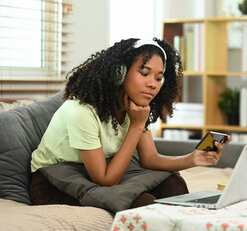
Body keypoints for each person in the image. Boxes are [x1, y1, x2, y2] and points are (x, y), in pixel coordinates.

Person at [30, 38, 231, 210]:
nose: (153, 83)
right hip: (52, 181)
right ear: (119, 73)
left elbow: (150, 158)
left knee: (173, 184)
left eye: (158, 77)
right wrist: (136, 126)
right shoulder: (81, 111)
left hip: (94, 171)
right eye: (144, 73)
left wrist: (193, 159)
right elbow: (106, 180)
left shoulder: (136, 107)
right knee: (142, 202)